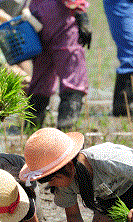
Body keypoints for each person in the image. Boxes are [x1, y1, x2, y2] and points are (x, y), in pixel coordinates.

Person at [26, 0, 91, 130]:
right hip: (61, 14)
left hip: (37, 15)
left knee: (42, 69)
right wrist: (80, 10)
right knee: (72, 67)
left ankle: (32, 125)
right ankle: (66, 125)